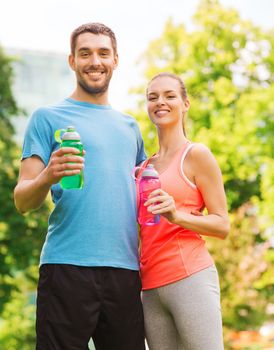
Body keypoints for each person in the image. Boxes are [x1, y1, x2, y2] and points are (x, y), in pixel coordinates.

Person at [14, 23, 146, 350]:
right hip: (66, 267)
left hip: (126, 271)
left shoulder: (131, 127)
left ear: (116, 60)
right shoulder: (47, 118)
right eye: (85, 53)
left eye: (103, 53)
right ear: (72, 61)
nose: (94, 61)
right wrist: (47, 176)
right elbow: (22, 200)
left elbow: (144, 199)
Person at [137, 72, 230, 350]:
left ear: (185, 103)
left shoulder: (196, 155)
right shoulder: (143, 167)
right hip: (150, 288)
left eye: (169, 96)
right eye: (153, 97)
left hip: (190, 277)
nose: (160, 102)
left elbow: (222, 224)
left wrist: (176, 215)